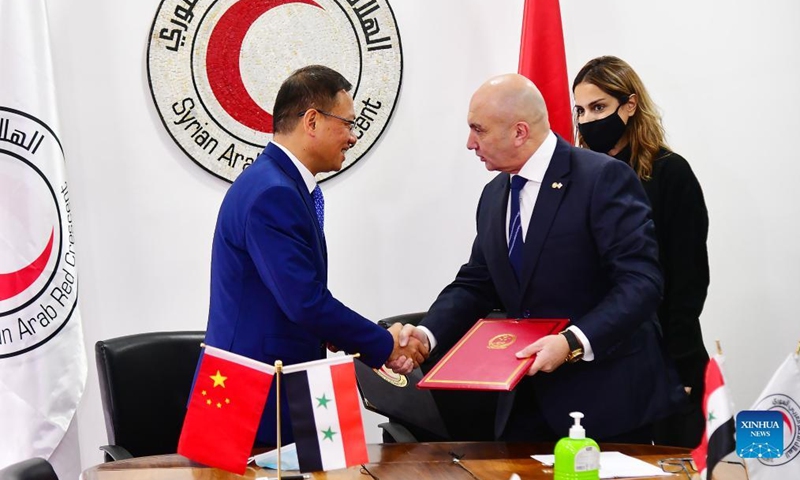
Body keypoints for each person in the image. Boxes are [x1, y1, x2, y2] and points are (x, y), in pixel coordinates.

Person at [391, 73, 684, 443]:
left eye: (478, 130)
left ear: (519, 132)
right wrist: (426, 335)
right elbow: (477, 282)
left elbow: (641, 283)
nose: (469, 143)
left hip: (607, 406)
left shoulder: (602, 178)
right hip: (525, 406)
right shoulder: (495, 195)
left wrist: (573, 343)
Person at [204, 65, 428, 447]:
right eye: (348, 124)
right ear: (312, 121)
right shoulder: (272, 193)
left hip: (276, 381)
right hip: (256, 393)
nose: (353, 137)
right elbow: (305, 302)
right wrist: (384, 344)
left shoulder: (278, 184)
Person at [572, 55, 710, 448]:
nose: (586, 120)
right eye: (580, 110)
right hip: (598, 359)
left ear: (629, 106)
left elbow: (688, 279)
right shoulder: (578, 177)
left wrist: (679, 366)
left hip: (664, 355)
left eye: (599, 107)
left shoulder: (670, 173)